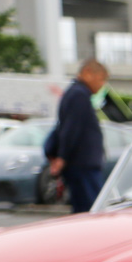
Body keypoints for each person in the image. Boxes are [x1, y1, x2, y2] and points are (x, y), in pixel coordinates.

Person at [44, 58, 109, 213]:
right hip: (82, 165)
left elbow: (64, 127)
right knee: (90, 209)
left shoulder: (75, 93)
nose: (102, 85)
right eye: (101, 79)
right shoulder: (79, 95)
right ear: (87, 73)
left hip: (81, 164)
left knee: (84, 208)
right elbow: (71, 129)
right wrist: (62, 157)